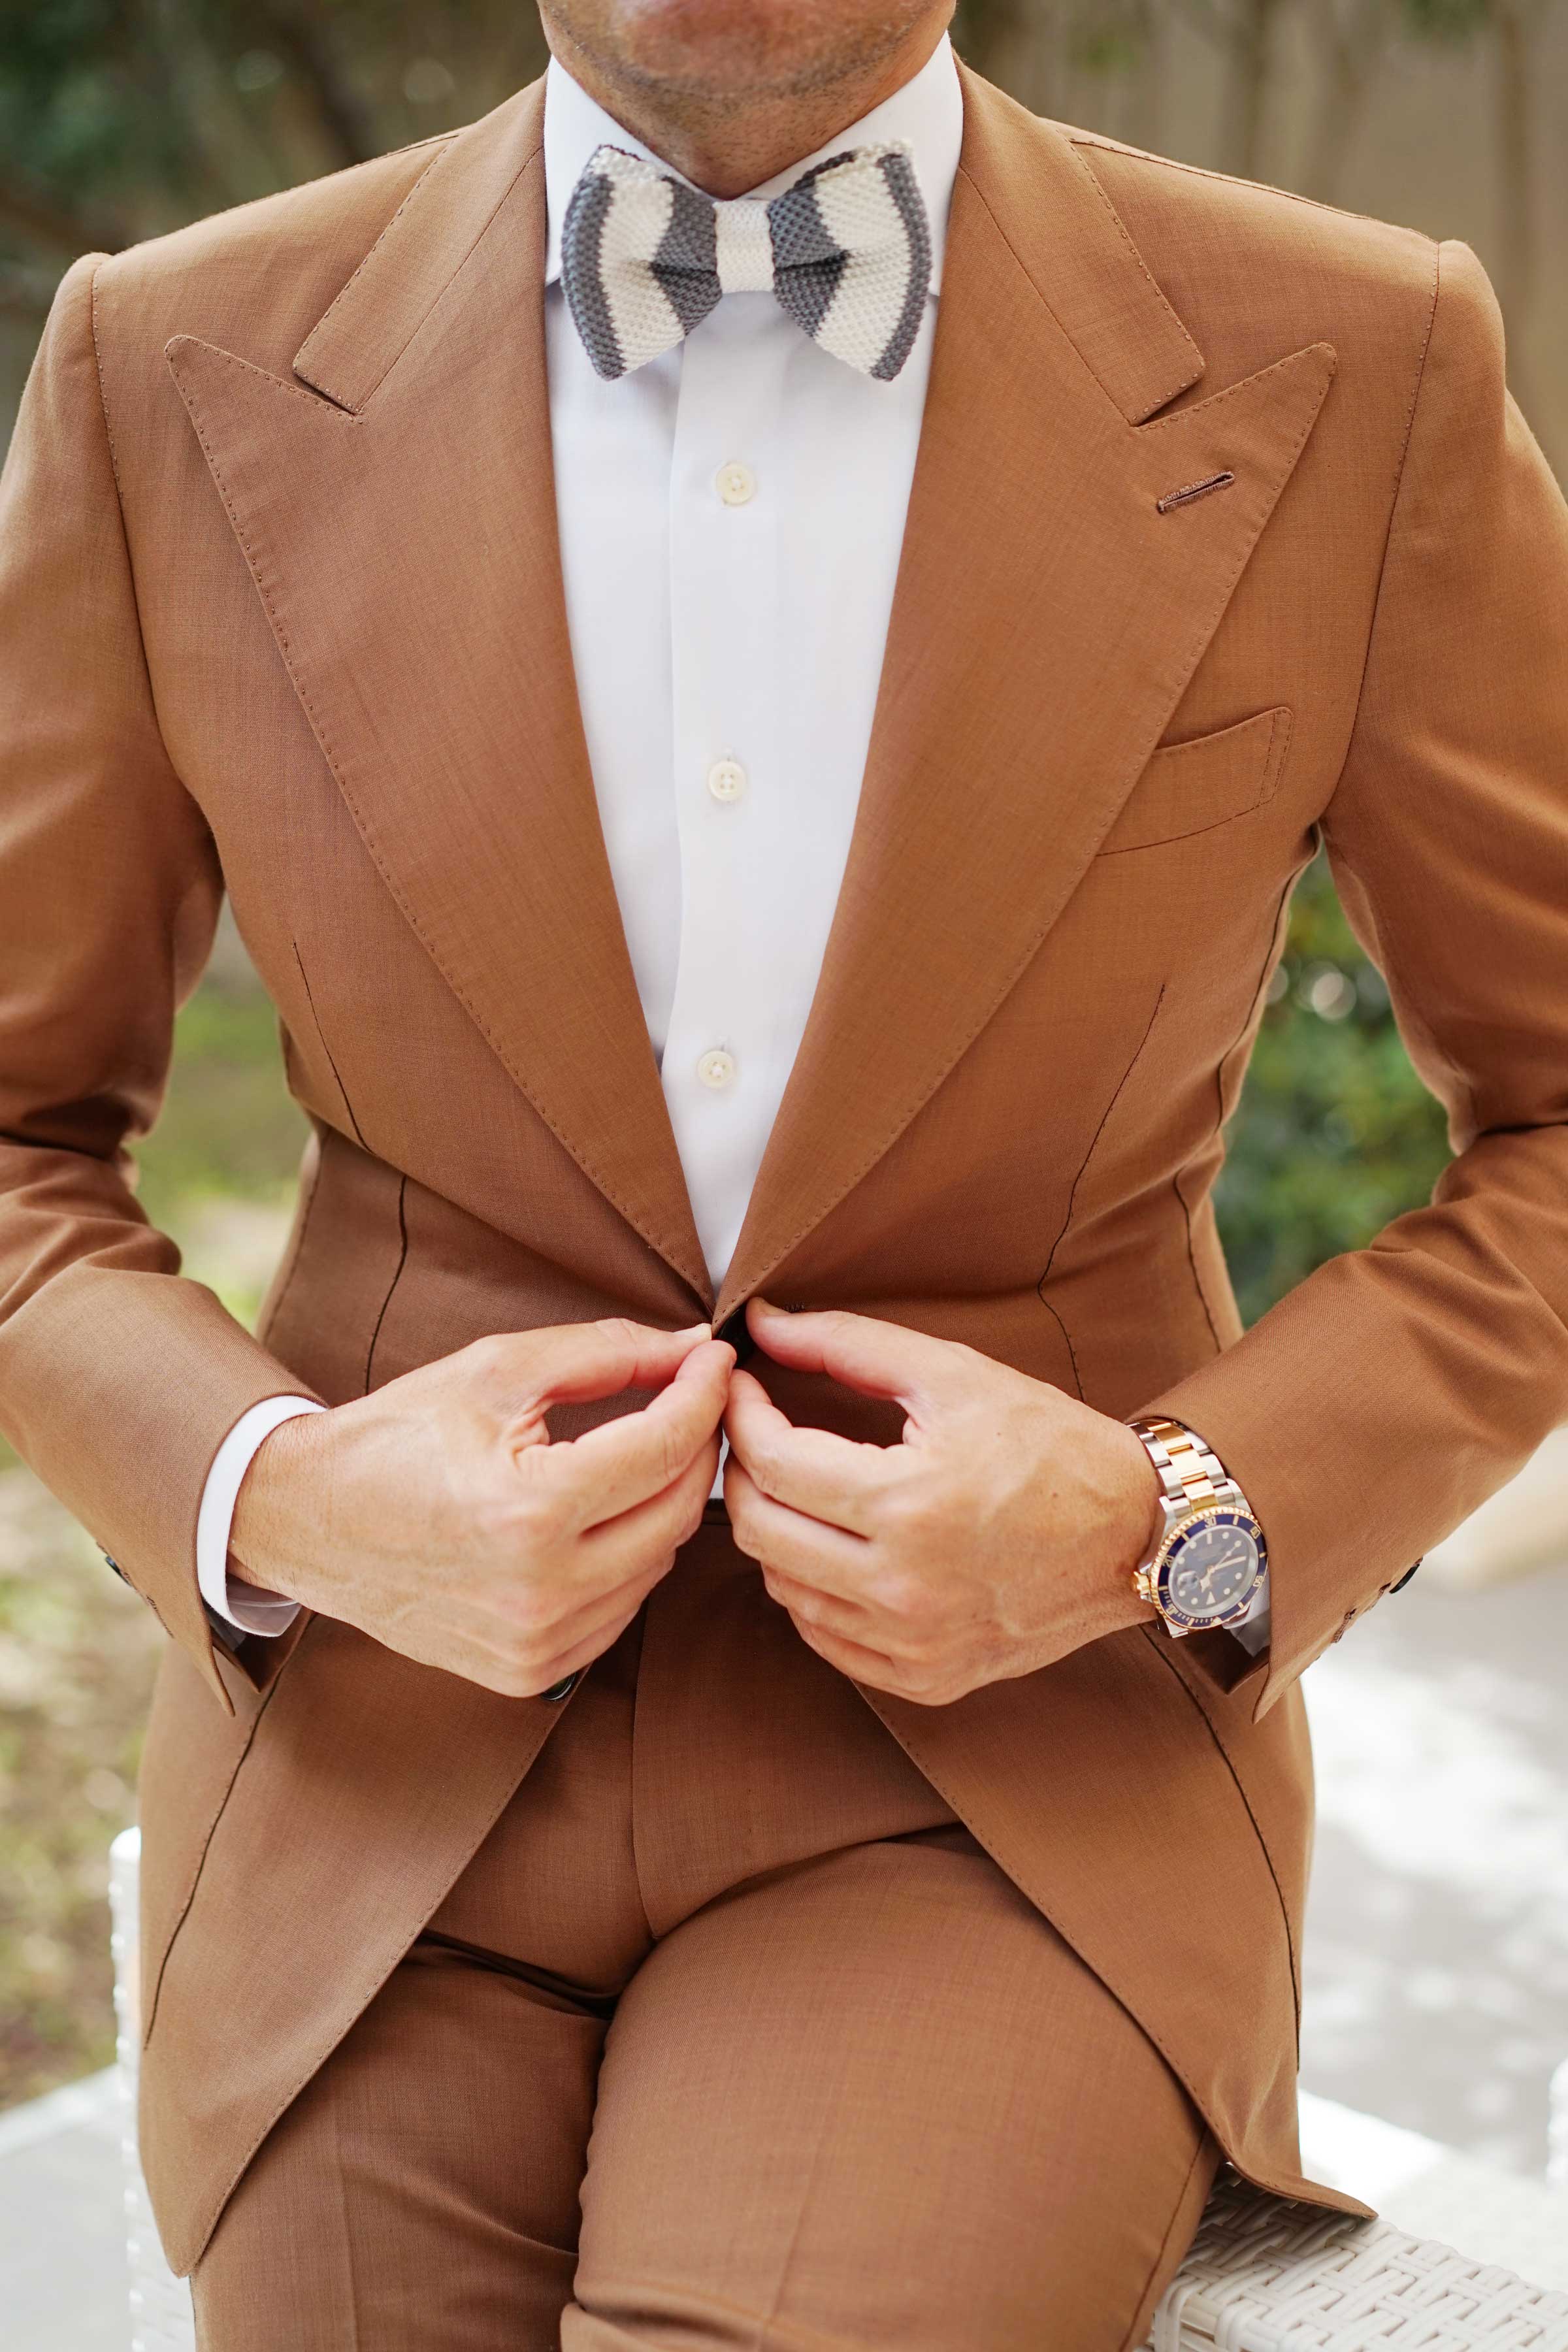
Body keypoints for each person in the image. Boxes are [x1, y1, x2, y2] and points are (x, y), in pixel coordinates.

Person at [2, 0, 1566, 2342]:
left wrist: (1175, 1509)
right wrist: (287, 1494)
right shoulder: (166, 357)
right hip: (372, 1758)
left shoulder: (1359, 354)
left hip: (1006, 1777)